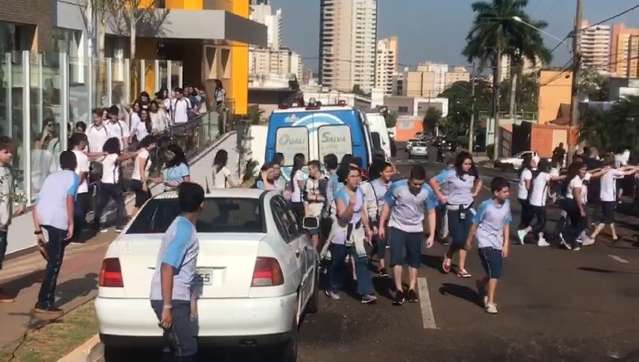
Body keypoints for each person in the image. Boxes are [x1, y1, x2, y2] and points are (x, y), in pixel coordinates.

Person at [150, 182, 204, 362]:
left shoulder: (182, 226)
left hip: (177, 298)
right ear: (201, 205)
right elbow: (167, 266)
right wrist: (167, 307)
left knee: (173, 348)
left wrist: (192, 301)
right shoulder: (184, 230)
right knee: (186, 349)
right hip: (172, 298)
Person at [31, 151, 80, 320]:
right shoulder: (74, 177)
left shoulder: (50, 178)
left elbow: (36, 204)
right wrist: (71, 223)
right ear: (74, 164)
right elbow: (69, 200)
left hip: (43, 217)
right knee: (55, 263)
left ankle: (51, 250)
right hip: (58, 220)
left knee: (54, 256)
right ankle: (44, 303)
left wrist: (37, 230)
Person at [380, 165, 437, 305]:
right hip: (397, 226)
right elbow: (387, 206)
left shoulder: (427, 191)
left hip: (416, 228)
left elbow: (431, 212)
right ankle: (399, 290)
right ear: (409, 179)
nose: (417, 187)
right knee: (397, 258)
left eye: (420, 184)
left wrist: (431, 235)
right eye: (415, 183)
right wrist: (381, 225)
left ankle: (411, 288)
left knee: (414, 260)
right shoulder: (397, 187)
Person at [325, 166, 376, 304]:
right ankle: (333, 287)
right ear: (346, 178)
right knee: (339, 262)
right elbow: (342, 216)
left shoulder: (360, 191)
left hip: (357, 233)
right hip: (341, 232)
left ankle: (366, 292)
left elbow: (362, 212)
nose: (356, 179)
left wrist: (367, 228)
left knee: (362, 260)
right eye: (353, 176)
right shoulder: (340, 194)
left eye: (358, 176)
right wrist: (350, 207)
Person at [430, 152, 482, 278]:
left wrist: (475, 192)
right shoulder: (451, 174)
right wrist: (440, 196)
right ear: (460, 163)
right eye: (465, 164)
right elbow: (433, 181)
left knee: (466, 239)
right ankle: (448, 254)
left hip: (468, 208)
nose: (468, 166)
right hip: (453, 208)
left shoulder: (471, 174)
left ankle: (461, 268)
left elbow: (479, 180)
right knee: (458, 239)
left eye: (470, 164)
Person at [466, 177, 512, 315]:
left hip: (497, 242)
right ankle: (490, 302)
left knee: (494, 271)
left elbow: (506, 224)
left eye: (508, 191)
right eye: (504, 192)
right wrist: (469, 240)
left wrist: (506, 244)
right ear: (496, 193)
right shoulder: (486, 206)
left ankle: (481, 283)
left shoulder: (507, 204)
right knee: (495, 272)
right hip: (485, 242)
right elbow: (475, 223)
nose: (507, 194)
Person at [517, 159, 566, 247]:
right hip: (539, 203)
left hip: (533, 201)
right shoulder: (544, 175)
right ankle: (524, 232)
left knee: (540, 221)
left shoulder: (536, 174)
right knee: (541, 222)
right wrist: (566, 176)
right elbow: (555, 178)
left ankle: (539, 239)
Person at [589, 157, 638, 244]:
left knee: (610, 217)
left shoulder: (605, 170)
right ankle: (593, 236)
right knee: (605, 219)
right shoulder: (612, 172)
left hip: (603, 197)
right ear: (612, 164)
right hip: (609, 199)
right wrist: (636, 168)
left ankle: (614, 236)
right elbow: (627, 172)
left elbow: (622, 169)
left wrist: (631, 166)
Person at [94, 138, 136, 232]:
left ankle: (96, 225)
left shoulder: (103, 157)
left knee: (101, 205)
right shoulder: (114, 156)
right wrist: (135, 153)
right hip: (113, 184)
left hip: (103, 183)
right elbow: (123, 158)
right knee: (120, 203)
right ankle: (119, 225)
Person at [0, 137, 23, 302]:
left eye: (11, 152)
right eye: (5, 152)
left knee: (1, 254)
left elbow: (15, 187)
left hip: (4, 221)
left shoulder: (9, 170)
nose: (9, 155)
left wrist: (21, 201)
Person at [365, 160, 394, 276]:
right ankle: (381, 265)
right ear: (381, 172)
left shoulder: (392, 185)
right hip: (375, 215)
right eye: (387, 172)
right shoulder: (372, 185)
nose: (390, 174)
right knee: (381, 239)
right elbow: (368, 202)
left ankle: (369, 256)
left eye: (391, 171)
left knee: (382, 240)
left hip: (388, 216)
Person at [69, 134, 91, 239]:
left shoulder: (67, 154)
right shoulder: (83, 156)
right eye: (85, 142)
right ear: (80, 143)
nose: (86, 144)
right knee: (79, 213)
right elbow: (83, 174)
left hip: (68, 189)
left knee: (70, 212)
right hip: (80, 189)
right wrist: (75, 186)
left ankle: (71, 234)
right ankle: (78, 236)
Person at [130, 136, 158, 215]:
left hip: (136, 180)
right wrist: (144, 183)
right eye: (154, 144)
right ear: (150, 144)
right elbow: (141, 168)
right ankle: (131, 221)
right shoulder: (145, 153)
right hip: (139, 181)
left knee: (145, 201)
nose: (155, 146)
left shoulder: (141, 151)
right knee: (141, 204)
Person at [304, 160, 326, 250]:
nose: (309, 172)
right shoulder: (308, 181)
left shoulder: (324, 180)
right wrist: (306, 213)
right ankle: (315, 254)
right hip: (311, 212)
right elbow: (306, 197)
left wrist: (312, 197)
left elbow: (325, 197)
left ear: (316, 168)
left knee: (323, 235)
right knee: (313, 234)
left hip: (321, 211)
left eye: (310, 169)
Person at [516, 153, 535, 238]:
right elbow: (528, 186)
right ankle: (523, 231)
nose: (534, 162)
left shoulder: (524, 170)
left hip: (521, 195)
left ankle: (522, 229)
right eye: (533, 161)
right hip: (525, 196)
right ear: (529, 162)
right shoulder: (528, 172)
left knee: (525, 213)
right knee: (529, 214)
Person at [289, 153, 307, 220]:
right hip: (299, 201)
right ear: (301, 161)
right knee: (302, 220)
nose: (305, 160)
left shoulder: (294, 171)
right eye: (304, 159)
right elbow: (302, 187)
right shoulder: (299, 173)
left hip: (294, 199)